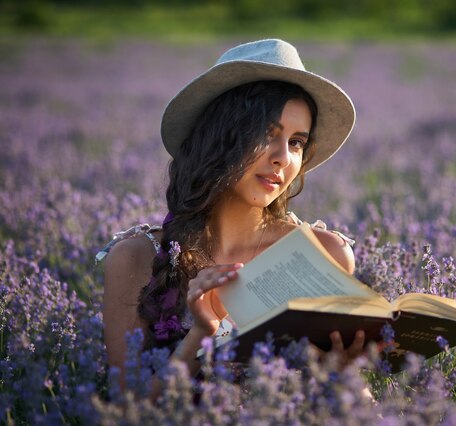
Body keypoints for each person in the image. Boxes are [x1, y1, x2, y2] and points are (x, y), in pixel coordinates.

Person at [98, 39, 366, 394]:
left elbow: (352, 404)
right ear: (220, 138)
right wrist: (201, 336)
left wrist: (345, 374)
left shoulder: (324, 255)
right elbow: (125, 411)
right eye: (266, 134)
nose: (283, 158)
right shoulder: (137, 258)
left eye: (297, 142)